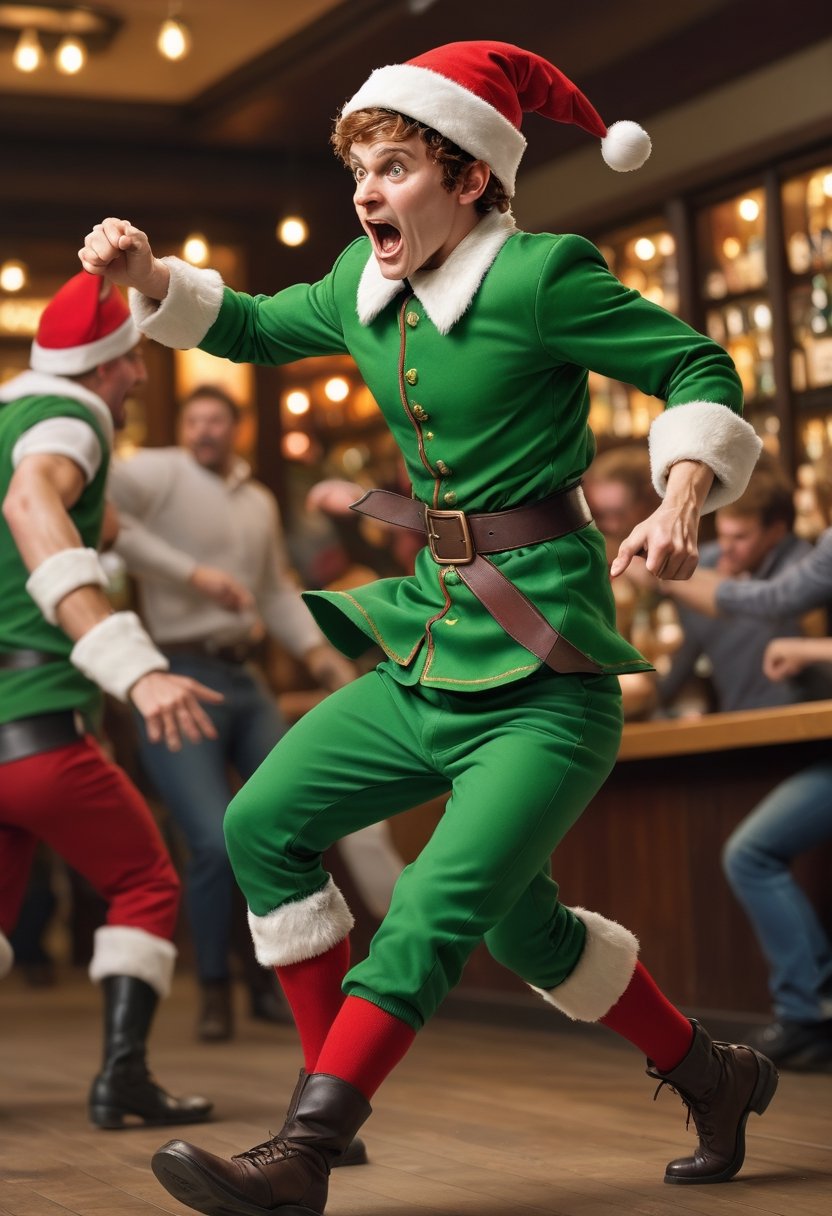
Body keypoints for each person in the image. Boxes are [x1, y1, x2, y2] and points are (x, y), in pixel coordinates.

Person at [81, 41, 777, 1208]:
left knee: (434, 908)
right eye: (359, 165)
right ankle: (713, 1073)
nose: (365, 191)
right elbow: (247, 326)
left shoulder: (543, 275)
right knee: (282, 833)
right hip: (427, 648)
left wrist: (681, 492)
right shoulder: (363, 282)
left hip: (547, 676)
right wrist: (155, 276)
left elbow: (699, 367)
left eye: (393, 164)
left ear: (469, 179)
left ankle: (305, 1148)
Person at [0, 270, 218, 1129]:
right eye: (133, 358)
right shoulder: (73, 419)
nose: (143, 376)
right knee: (146, 879)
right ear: (100, 366)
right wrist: (128, 660)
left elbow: (109, 529)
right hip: (43, 729)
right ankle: (123, 1079)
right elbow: (32, 501)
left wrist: (197, 576)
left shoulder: (10, 416)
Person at [107, 383, 361, 1042]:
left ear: (238, 428)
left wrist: (322, 657)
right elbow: (104, 516)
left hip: (245, 680)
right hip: (176, 675)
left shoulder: (257, 500)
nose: (203, 431)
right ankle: (215, 986)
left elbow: (275, 591)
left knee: (294, 821)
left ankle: (272, 981)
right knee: (215, 840)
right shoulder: (157, 471)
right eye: (194, 419)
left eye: (217, 420)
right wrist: (191, 575)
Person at [657, 463, 826, 713]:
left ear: (776, 533)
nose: (727, 547)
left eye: (740, 537)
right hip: (734, 717)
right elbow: (691, 646)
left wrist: (706, 587)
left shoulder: (803, 566)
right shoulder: (710, 561)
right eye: (722, 535)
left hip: (796, 718)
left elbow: (772, 604)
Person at [584, 445, 662, 718]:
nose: (610, 526)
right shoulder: (595, 554)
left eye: (619, 513)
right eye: (601, 515)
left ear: (650, 503)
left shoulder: (674, 550)